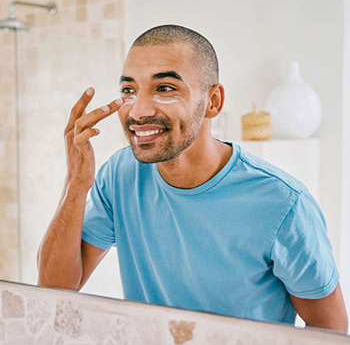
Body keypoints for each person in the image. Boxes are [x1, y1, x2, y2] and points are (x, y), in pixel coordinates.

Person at [37, 24, 348, 333]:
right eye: (129, 90)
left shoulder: (284, 204)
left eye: (165, 88)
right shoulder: (120, 176)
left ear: (213, 102)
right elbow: (54, 290)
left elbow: (330, 329)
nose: (138, 110)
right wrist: (75, 186)